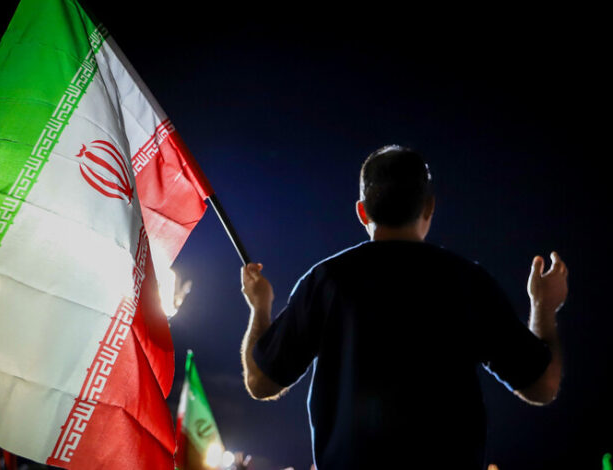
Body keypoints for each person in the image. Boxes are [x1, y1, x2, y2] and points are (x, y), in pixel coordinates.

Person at [240, 145, 567, 469]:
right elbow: (542, 386)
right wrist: (544, 307)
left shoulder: (326, 282)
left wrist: (259, 306)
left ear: (362, 212)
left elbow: (260, 381)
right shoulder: (468, 282)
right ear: (429, 206)